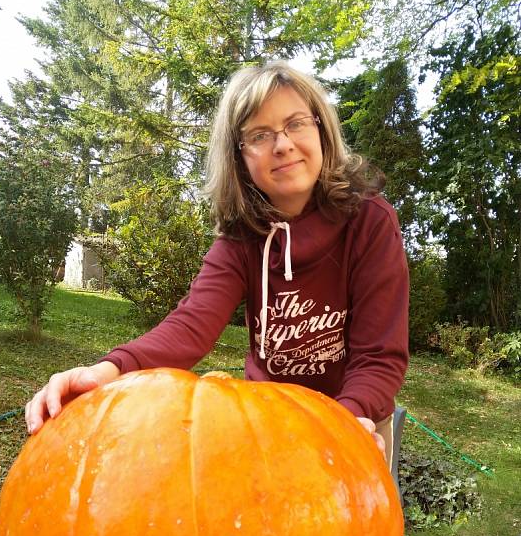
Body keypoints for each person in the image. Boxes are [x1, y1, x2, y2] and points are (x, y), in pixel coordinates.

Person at [25, 61, 409, 464]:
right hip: (269, 423)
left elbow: (378, 356)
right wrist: (107, 370)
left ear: (321, 129)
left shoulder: (370, 221)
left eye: (296, 123)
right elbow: (191, 326)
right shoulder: (241, 239)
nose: (282, 144)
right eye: (259, 135)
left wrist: (347, 420)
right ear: (239, 157)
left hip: (355, 422)